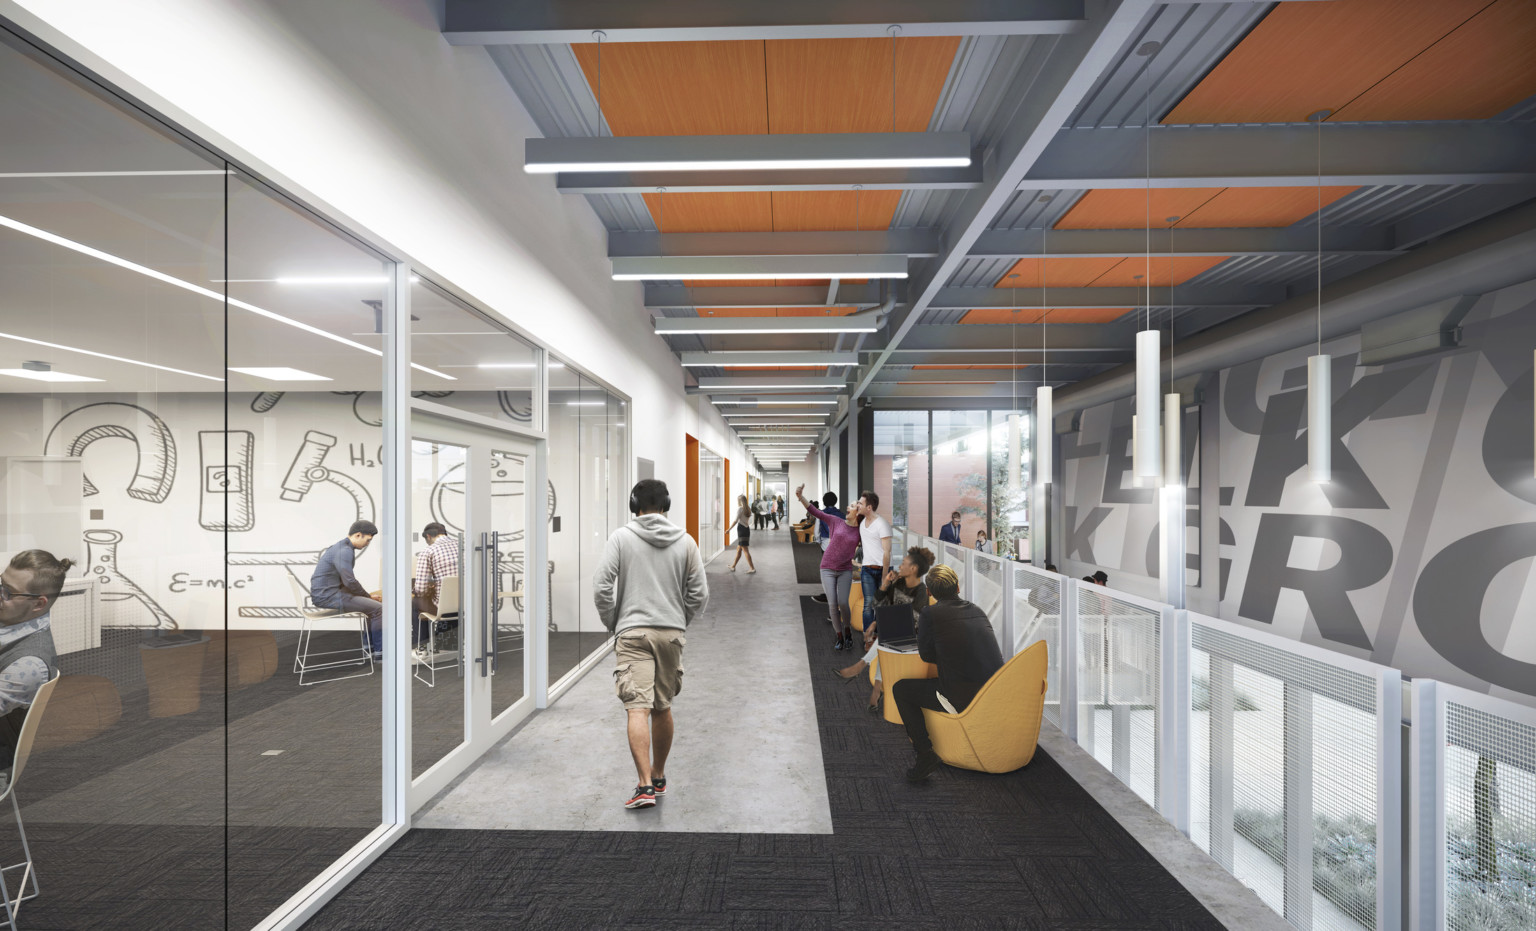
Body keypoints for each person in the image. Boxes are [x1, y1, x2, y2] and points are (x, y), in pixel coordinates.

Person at [593, 479, 709, 810]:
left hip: (632, 633)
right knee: (662, 706)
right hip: (671, 633)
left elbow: (601, 585)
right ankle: (658, 776)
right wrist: (679, 619)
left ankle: (644, 786)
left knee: (637, 707)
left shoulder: (620, 538)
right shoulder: (686, 541)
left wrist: (613, 621)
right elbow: (699, 593)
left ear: (634, 506)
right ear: (667, 505)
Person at [892, 564, 1005, 782]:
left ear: (929, 592)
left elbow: (926, 655)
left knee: (901, 689)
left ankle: (925, 755)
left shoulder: (930, 613)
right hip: (993, 693)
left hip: (961, 697)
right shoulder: (977, 610)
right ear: (958, 586)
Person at [833, 545, 934, 714]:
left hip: (913, 640)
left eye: (903, 563)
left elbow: (913, 622)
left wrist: (880, 624)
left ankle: (859, 667)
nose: (900, 566)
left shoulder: (921, 592)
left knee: (886, 639)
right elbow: (878, 605)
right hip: (893, 634)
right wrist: (885, 585)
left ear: (913, 568)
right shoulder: (899, 583)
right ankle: (876, 690)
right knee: (886, 641)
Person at [0, 550, 66, 786]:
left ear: (38, 603)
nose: (0, 594)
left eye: (7, 591)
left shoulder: (29, 666)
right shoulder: (11, 617)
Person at [794, 484, 862, 651]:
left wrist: (859, 563)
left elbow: (868, 545)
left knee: (843, 603)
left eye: (852, 506)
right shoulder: (835, 521)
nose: (848, 507)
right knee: (832, 604)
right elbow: (816, 511)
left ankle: (848, 632)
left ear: (858, 513)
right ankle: (839, 637)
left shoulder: (861, 531)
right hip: (827, 567)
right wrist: (800, 496)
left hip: (845, 569)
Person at [312, 520, 384, 659]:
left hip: (329, 594)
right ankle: (380, 654)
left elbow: (346, 582)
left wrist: (366, 597)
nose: (367, 544)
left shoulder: (340, 547)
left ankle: (371, 649)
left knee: (373, 608)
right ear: (358, 535)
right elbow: (350, 581)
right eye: (367, 540)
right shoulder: (345, 551)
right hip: (329, 597)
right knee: (379, 609)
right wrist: (367, 597)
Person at [411, 521, 460, 664]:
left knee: (415, 603)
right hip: (467, 603)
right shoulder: (464, 546)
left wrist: (416, 590)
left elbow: (421, 588)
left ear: (428, 536)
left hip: (443, 607)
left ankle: (421, 647)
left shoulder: (429, 552)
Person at [853, 490, 892, 638]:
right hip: (867, 570)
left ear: (869, 507)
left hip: (883, 570)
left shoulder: (882, 524)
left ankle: (882, 636)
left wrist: (884, 577)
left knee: (882, 605)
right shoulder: (862, 523)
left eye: (860, 503)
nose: (857, 505)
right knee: (868, 604)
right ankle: (868, 637)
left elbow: (887, 552)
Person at [728, 494, 756, 573]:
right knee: (739, 549)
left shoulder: (740, 509)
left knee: (745, 550)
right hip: (746, 529)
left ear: (740, 501)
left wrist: (729, 529)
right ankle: (733, 566)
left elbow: (735, 520)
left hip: (741, 530)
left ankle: (752, 568)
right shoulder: (748, 508)